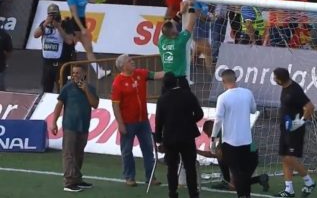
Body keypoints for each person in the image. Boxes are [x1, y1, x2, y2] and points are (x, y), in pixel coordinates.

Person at [111, 54, 163, 187]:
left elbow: (157, 75)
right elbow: (115, 105)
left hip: (143, 121)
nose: (133, 62)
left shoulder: (140, 73)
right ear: (123, 65)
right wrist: (120, 123)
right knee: (127, 150)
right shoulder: (118, 82)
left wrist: (173, 69)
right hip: (128, 122)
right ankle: (129, 177)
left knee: (148, 149)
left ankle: (151, 176)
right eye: (130, 61)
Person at [50, 64, 99, 192]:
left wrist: (86, 90)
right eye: (73, 73)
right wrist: (53, 122)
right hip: (70, 125)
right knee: (69, 154)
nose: (75, 75)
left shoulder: (90, 88)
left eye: (78, 73)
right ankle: (69, 182)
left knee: (79, 154)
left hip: (83, 126)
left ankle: (77, 179)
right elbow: (59, 105)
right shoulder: (67, 88)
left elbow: (95, 104)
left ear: (84, 74)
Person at [155, 72, 204, 198]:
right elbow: (199, 114)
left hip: (170, 137)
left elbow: (159, 122)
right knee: (190, 167)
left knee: (171, 168)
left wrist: (158, 139)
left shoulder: (162, 100)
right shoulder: (188, 95)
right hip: (187, 136)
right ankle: (193, 194)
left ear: (164, 85)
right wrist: (189, 121)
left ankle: (172, 193)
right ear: (177, 82)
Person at [210, 69, 257, 198]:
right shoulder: (248, 93)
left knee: (236, 172)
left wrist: (213, 140)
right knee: (244, 171)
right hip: (246, 140)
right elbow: (253, 110)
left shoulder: (223, 97)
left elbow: (218, 121)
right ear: (235, 79)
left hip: (230, 141)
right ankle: (246, 195)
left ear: (223, 81)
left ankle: (242, 195)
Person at [272, 68, 316, 197]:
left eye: (275, 78)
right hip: (285, 128)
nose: (274, 79)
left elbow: (310, 107)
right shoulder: (285, 87)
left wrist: (302, 121)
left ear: (280, 80)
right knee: (285, 158)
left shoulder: (295, 91)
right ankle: (288, 190)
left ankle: (309, 182)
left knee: (290, 158)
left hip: (295, 130)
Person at [197, 120, 269, 192]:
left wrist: (196, 151)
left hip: (248, 157)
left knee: (234, 186)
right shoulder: (225, 131)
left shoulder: (225, 136)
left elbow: (220, 155)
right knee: (221, 157)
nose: (209, 136)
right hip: (252, 154)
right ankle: (259, 179)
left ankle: (257, 179)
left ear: (212, 128)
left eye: (208, 133)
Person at [67, 0, 111, 79]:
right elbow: (74, 14)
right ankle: (68, 72)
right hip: (75, 24)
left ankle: (98, 71)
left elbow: (93, 0)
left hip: (83, 22)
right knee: (70, 50)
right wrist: (82, 28)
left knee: (89, 49)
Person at [158, 0, 196, 90]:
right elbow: (191, 23)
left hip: (166, 79)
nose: (176, 26)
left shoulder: (162, 40)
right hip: (179, 80)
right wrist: (192, 5)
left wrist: (180, 12)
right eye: (175, 28)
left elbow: (168, 25)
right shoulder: (180, 41)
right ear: (174, 32)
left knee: (166, 102)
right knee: (186, 101)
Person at [34, 3, 76, 93]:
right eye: (51, 14)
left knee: (62, 89)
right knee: (46, 90)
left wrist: (59, 27)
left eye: (55, 14)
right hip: (47, 64)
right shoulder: (44, 25)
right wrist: (46, 22)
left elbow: (69, 41)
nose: (53, 16)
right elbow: (35, 35)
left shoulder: (65, 24)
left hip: (60, 64)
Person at [193, 0, 213, 75]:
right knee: (208, 51)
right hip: (197, 28)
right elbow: (197, 14)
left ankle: (190, 69)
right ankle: (211, 75)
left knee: (197, 51)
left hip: (205, 29)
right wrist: (210, 18)